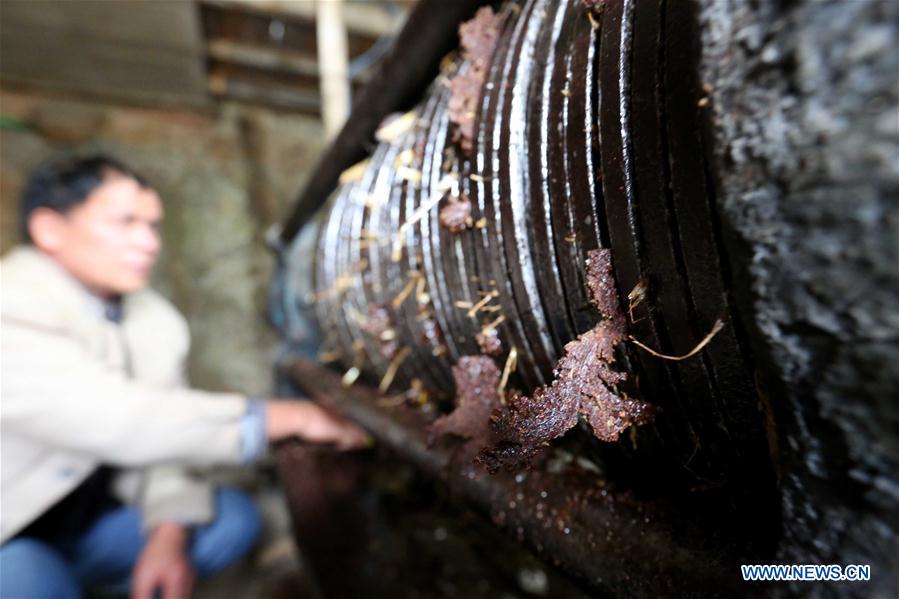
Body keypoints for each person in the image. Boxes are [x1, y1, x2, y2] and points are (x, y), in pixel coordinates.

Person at [0, 156, 369, 599]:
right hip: (11, 535)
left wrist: (167, 534)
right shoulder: (11, 304)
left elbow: (167, 446)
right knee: (30, 579)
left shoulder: (152, 319)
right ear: (49, 230)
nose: (148, 242)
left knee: (231, 520)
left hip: (82, 527)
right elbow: (122, 419)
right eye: (126, 222)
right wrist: (295, 417)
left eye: (153, 226)